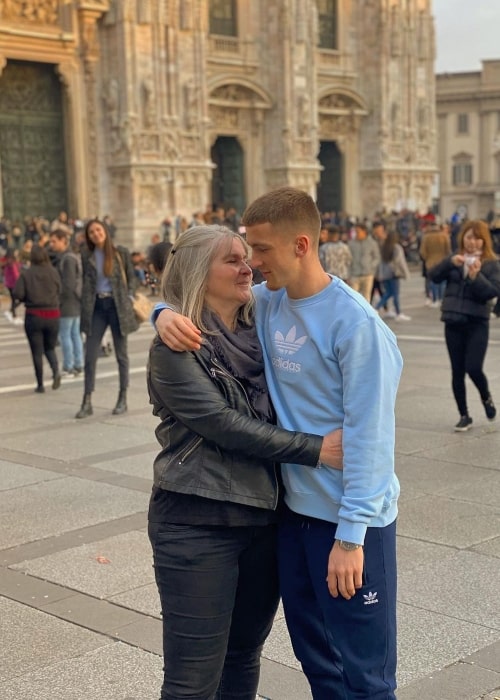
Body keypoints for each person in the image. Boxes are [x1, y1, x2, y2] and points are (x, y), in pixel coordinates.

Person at [155, 187, 403, 699]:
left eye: (260, 251)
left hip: (347, 520)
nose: (251, 264)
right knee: (319, 663)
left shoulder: (356, 325)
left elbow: (371, 437)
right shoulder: (266, 304)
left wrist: (352, 535)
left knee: (365, 675)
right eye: (244, 253)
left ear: (301, 245)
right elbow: (197, 292)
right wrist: (162, 310)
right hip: (290, 518)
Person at [148, 224, 344, 700]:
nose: (247, 267)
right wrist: (317, 449)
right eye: (232, 260)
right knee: (192, 681)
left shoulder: (261, 324)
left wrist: (157, 309)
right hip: (199, 522)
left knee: (241, 659)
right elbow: (223, 424)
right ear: (199, 272)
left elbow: (316, 291)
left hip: (263, 520)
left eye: (246, 257)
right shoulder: (176, 346)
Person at [428, 219, 500, 432]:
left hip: (477, 322)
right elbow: (433, 276)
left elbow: (491, 292)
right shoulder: (455, 259)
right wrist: (450, 262)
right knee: (457, 371)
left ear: (483, 240)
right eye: (469, 237)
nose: (473, 242)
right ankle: (464, 415)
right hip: (453, 321)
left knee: (474, 367)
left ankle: (486, 397)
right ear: (463, 238)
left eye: (477, 238)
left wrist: (475, 276)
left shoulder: (491, 263)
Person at [75, 218, 139, 419]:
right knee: (90, 355)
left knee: (121, 355)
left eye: (98, 230)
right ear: (88, 237)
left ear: (105, 231)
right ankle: (87, 400)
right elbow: (84, 281)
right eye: (91, 232)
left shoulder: (120, 252)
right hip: (97, 308)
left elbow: (132, 278)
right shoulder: (87, 254)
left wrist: (128, 297)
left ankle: (122, 397)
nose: (95, 234)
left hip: (117, 306)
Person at [13, 244, 61, 393]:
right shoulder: (53, 272)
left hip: (34, 315)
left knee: (36, 351)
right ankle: (55, 371)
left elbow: (18, 294)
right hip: (53, 314)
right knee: (50, 348)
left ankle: (40, 384)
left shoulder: (26, 274)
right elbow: (61, 289)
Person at [49, 229, 84, 377]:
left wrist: (59, 299)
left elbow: (68, 284)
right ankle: (78, 364)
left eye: (54, 241)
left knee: (66, 335)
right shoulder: (70, 256)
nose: (52, 244)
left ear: (63, 240)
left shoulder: (67, 258)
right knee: (74, 334)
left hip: (68, 302)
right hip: (74, 301)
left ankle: (69, 366)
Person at [374, 230, 412, 321]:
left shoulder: (384, 247)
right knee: (395, 294)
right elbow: (400, 262)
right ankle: (398, 313)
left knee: (388, 293)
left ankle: (376, 308)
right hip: (394, 273)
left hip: (385, 274)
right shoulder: (397, 248)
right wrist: (406, 274)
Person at [419, 222, 451, 308]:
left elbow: (422, 251)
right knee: (443, 282)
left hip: (430, 262)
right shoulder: (444, 236)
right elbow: (448, 250)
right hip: (442, 261)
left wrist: (427, 258)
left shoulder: (426, 237)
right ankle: (442, 299)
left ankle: (435, 299)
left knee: (433, 282)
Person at [347, 222, 381, 301]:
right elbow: (348, 259)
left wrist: (371, 266)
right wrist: (349, 272)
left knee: (366, 297)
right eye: (355, 231)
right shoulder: (351, 243)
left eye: (358, 231)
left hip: (368, 274)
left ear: (364, 231)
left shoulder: (372, 243)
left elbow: (377, 257)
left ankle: (366, 313)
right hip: (355, 274)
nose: (356, 233)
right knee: (354, 298)